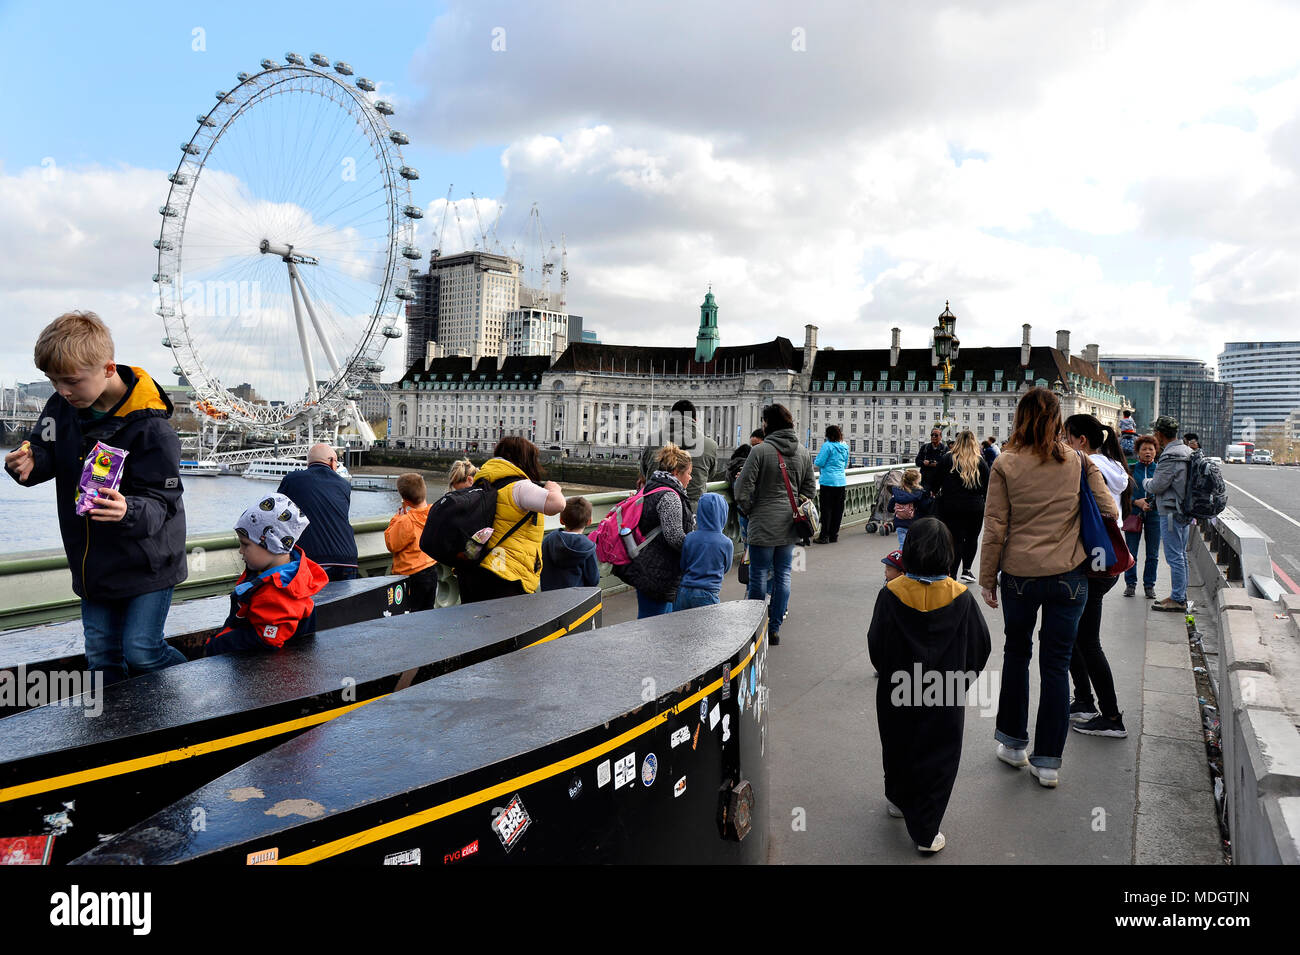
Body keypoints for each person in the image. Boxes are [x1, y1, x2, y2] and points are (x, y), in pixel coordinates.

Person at [4, 311, 188, 685]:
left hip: (148, 563)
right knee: (101, 660)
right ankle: (116, 733)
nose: (61, 391)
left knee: (143, 651)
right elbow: (45, 450)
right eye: (53, 381)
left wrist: (127, 509)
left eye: (70, 381)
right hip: (93, 564)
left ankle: (198, 686)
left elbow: (163, 501)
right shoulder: (63, 406)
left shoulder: (153, 429)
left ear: (107, 369)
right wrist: (27, 462)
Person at [979, 387, 1118, 788]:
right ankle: (1048, 763)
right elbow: (1108, 508)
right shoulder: (1078, 460)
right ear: (1058, 420)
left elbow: (995, 528)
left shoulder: (1005, 463)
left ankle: (1013, 744)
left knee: (1017, 653)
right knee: (1056, 664)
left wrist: (987, 580)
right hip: (1069, 577)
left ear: (1020, 418)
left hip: (1020, 576)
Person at [867, 518, 992, 854]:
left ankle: (897, 797)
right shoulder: (962, 598)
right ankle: (926, 830)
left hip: (897, 689)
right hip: (946, 691)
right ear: (948, 555)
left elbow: (876, 645)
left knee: (897, 745)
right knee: (940, 756)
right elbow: (980, 647)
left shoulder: (890, 594)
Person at [1062, 414, 1132, 739]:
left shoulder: (1085, 466)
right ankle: (1084, 702)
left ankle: (1111, 716)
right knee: (1077, 637)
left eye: (1066, 437)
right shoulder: (1113, 466)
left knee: (1087, 641)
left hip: (1092, 561)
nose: (1063, 443)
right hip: (1107, 559)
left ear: (1081, 441)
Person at [204, 493, 328, 655]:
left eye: (245, 544)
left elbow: (267, 639)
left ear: (272, 544)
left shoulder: (278, 592)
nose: (240, 551)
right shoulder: (277, 575)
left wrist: (217, 644)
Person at [735, 403, 816, 645]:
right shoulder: (802, 452)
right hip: (790, 525)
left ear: (768, 424)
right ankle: (775, 628)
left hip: (762, 522)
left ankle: (755, 628)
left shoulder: (760, 451)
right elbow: (810, 490)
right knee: (783, 575)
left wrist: (750, 510)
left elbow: (741, 490)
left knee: (758, 575)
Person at [458, 436, 566, 603]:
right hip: (505, 574)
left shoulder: (483, 481)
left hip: (474, 568)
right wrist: (554, 489)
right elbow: (557, 505)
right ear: (525, 459)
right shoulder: (519, 486)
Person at [617, 443, 696, 617]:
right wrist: (696, 545)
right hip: (659, 572)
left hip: (646, 566)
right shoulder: (670, 496)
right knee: (654, 625)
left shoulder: (652, 486)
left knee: (650, 622)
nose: (690, 478)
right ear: (676, 472)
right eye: (689, 473)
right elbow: (675, 537)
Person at [277, 444, 358, 581]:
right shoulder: (344, 485)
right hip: (347, 558)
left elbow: (278, 512)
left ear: (309, 463)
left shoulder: (292, 480)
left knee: (314, 602)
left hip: (312, 559)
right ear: (332, 461)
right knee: (345, 602)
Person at [1146, 415, 1193, 613]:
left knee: (1175, 557)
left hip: (1171, 512)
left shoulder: (1170, 455)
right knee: (1181, 555)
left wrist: (1145, 482)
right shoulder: (1188, 451)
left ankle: (1178, 599)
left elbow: (1157, 485)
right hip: (1185, 510)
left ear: (1159, 434)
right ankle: (1178, 595)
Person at [640, 399, 718, 512]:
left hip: (655, 510)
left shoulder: (653, 440)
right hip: (694, 511)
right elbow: (710, 474)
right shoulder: (710, 445)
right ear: (695, 420)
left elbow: (645, 471)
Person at [935, 430, 989, 582]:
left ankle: (952, 572)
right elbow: (988, 486)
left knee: (955, 539)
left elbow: (935, 482)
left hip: (951, 506)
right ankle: (967, 569)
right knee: (972, 538)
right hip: (975, 507)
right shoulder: (980, 461)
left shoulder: (947, 459)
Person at [384, 473, 439, 611]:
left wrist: (397, 518)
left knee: (411, 613)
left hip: (411, 574)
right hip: (431, 569)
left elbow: (392, 544)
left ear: (405, 500)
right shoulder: (434, 513)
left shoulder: (405, 520)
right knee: (427, 610)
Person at [674, 492, 733, 610]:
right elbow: (726, 568)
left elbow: (683, 564)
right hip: (708, 593)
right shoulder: (726, 543)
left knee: (680, 627)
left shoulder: (689, 537)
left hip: (684, 592)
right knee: (707, 627)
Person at [1124, 435, 1162, 600]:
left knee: (1153, 553)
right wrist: (1136, 502)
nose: (1148, 452)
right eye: (1144, 449)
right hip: (1134, 513)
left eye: (1151, 449)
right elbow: (1122, 494)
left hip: (1155, 515)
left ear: (1156, 451)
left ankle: (1149, 585)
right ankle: (1130, 584)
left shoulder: (1161, 470)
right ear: (1138, 452)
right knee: (1131, 552)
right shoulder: (1130, 470)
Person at [540, 497, 600, 591]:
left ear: (561, 520)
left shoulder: (549, 540)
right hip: (577, 600)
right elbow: (593, 580)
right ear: (589, 522)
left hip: (549, 597)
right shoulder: (588, 547)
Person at [814, 425, 849, 544]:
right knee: (838, 509)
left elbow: (819, 462)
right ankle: (834, 535)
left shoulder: (827, 446)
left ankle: (824, 536)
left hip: (828, 481)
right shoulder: (845, 446)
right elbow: (844, 464)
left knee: (826, 509)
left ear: (828, 435)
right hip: (841, 481)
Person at [887, 469, 926, 548]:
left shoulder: (897, 492)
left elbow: (889, 508)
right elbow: (923, 508)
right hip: (914, 524)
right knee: (915, 546)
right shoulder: (918, 493)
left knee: (903, 545)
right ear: (916, 481)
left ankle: (902, 559)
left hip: (900, 524)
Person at [915, 428, 946, 510]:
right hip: (925, 480)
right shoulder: (925, 448)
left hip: (938, 481)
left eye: (936, 435)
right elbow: (917, 462)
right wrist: (924, 463)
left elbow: (947, 465)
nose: (934, 437)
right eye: (932, 435)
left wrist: (937, 464)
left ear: (941, 437)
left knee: (937, 503)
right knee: (924, 502)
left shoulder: (944, 449)